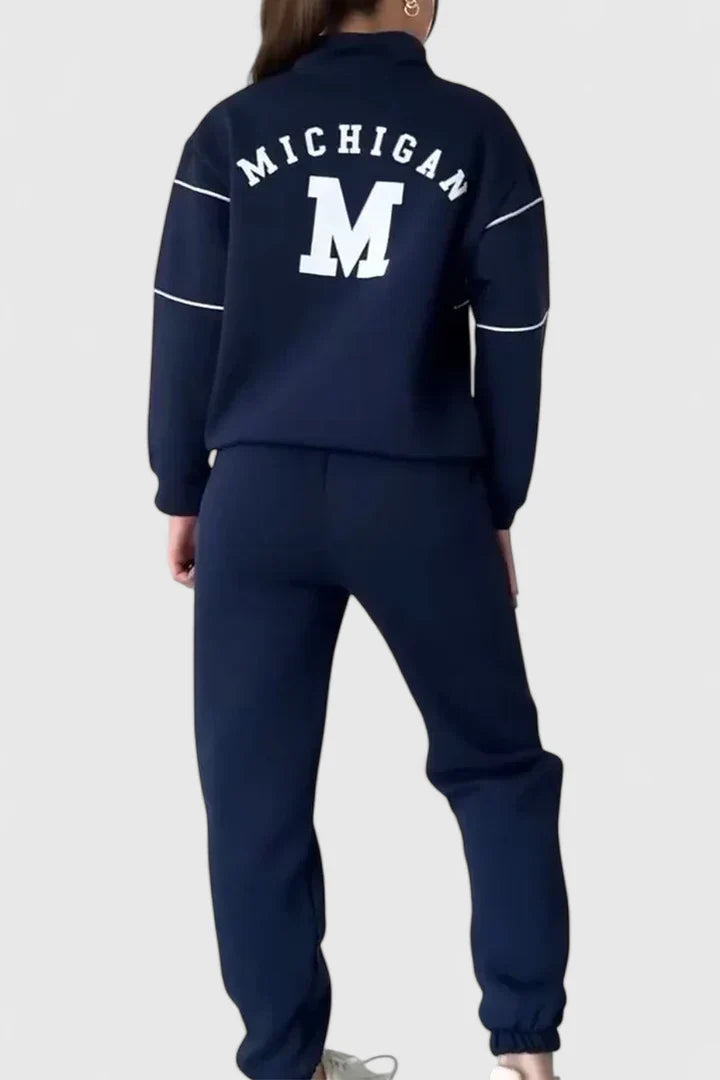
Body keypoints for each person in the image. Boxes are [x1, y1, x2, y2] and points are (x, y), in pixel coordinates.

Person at [148, 0, 569, 1077]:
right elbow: (513, 335)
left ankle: (283, 1063)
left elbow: (186, 318)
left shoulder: (233, 131)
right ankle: (528, 1052)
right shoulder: (477, 131)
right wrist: (498, 505)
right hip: (421, 495)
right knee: (497, 766)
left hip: (256, 496)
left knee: (253, 795)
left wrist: (182, 486)